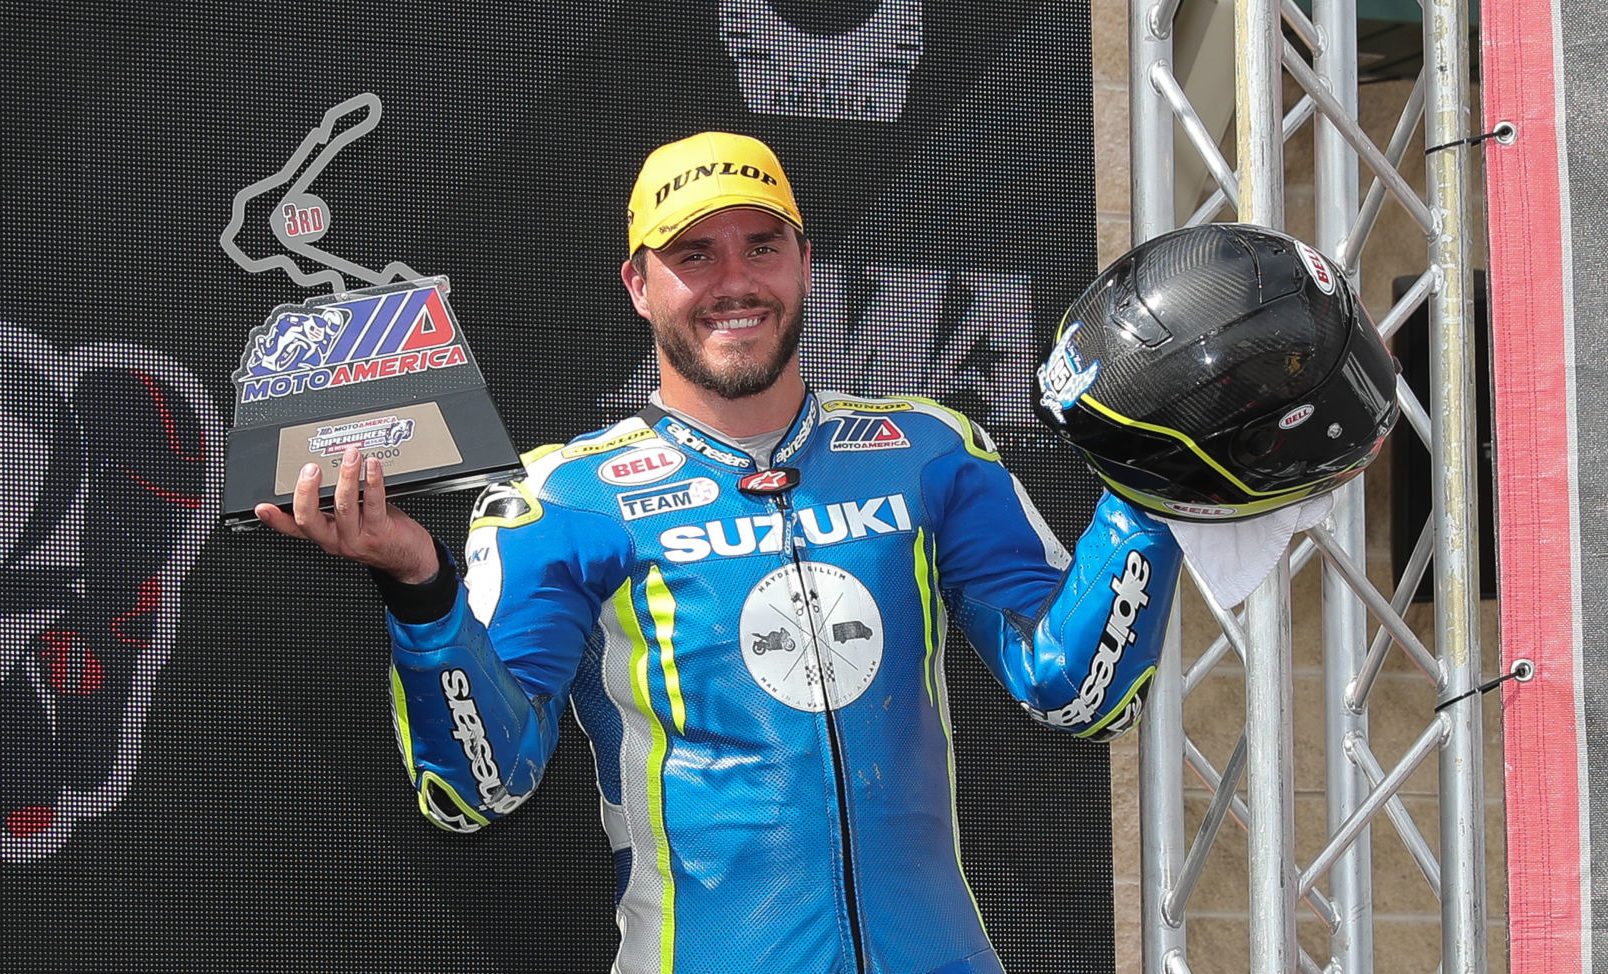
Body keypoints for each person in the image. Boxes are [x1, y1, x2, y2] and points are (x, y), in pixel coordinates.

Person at [256, 131, 1182, 974]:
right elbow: (480, 789)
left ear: (806, 264)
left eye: (762, 246)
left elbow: (1079, 695)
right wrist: (418, 584)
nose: (734, 282)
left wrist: (1152, 492)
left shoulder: (931, 451)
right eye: (695, 254)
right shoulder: (565, 498)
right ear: (638, 284)